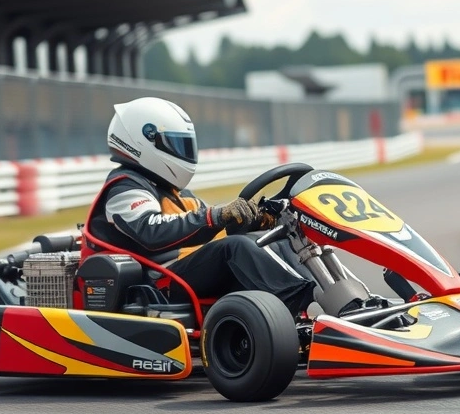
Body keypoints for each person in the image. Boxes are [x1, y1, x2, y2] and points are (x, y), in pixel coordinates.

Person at [86, 97, 316, 316]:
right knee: (234, 248)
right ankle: (306, 308)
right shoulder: (124, 187)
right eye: (174, 143)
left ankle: (323, 296)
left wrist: (257, 220)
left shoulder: (175, 192)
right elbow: (151, 230)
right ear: (141, 141)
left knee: (275, 241)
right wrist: (216, 215)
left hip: (183, 271)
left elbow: (211, 227)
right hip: (159, 281)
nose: (182, 152)